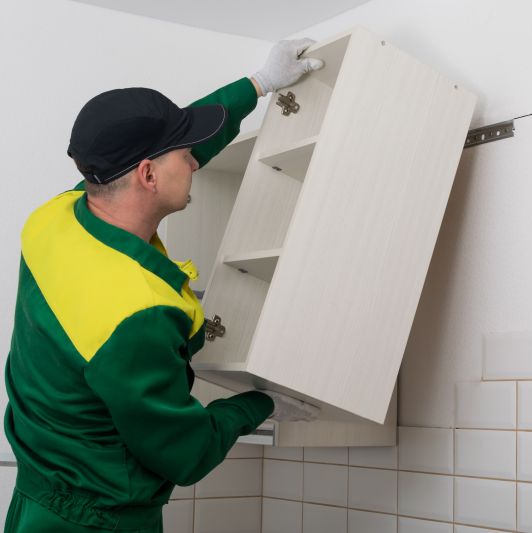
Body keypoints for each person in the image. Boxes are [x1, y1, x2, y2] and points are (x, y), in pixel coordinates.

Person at [3, 38, 324, 532]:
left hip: (36, 503)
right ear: (149, 175)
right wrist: (260, 403)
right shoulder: (136, 314)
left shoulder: (56, 218)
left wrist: (257, 85)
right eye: (185, 155)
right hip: (98, 524)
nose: (195, 162)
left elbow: (162, 146)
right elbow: (186, 453)